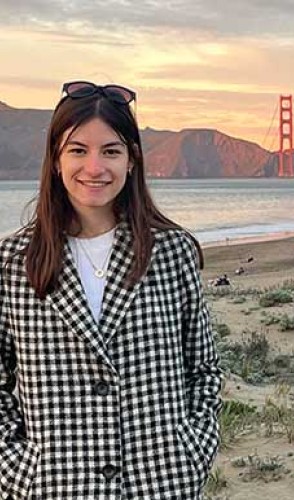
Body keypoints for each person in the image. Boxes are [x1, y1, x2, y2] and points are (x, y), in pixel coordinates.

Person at [0, 81, 222, 499]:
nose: (95, 167)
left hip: (161, 483)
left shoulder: (172, 252)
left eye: (111, 151)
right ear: (55, 159)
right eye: (78, 150)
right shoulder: (13, 263)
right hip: (54, 487)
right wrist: (17, 467)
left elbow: (203, 368)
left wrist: (193, 451)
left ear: (132, 160)